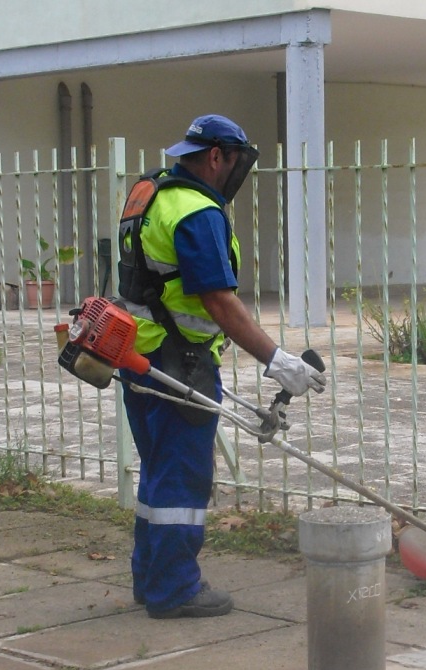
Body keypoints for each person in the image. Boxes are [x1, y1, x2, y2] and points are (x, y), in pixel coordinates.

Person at [118, 113, 325, 619]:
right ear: (217, 156)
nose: (235, 172)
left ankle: (150, 577)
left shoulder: (151, 193)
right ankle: (175, 589)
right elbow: (218, 301)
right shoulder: (197, 212)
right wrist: (276, 360)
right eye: (234, 161)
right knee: (183, 478)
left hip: (135, 354)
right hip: (178, 361)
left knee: (158, 472)